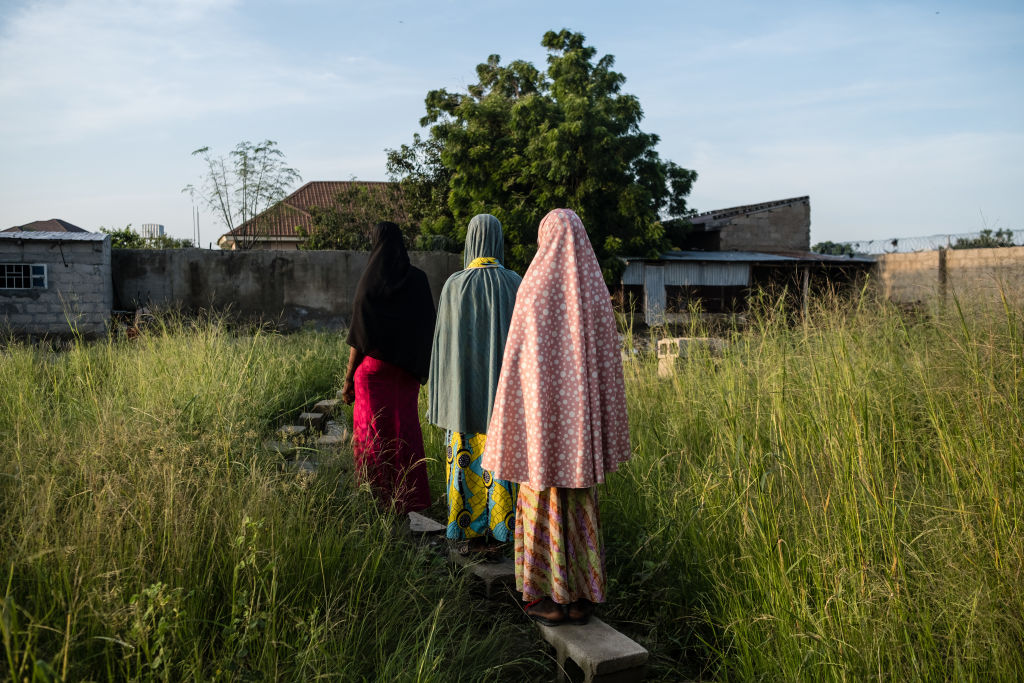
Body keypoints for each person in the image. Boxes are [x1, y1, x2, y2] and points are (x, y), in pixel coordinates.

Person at [482, 208, 631, 626]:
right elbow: (607, 369)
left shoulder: (532, 289)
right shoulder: (596, 295)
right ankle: (582, 598)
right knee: (579, 505)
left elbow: (516, 369)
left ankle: (550, 598)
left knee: (541, 505)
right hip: (579, 440)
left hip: (541, 439)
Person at [427, 214, 522, 558]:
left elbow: (442, 349)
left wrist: (440, 395)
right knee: (503, 465)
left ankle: (467, 529)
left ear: (469, 240)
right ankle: (503, 530)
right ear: (498, 240)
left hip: (463, 400)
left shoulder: (455, 285)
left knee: (466, 462)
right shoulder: (515, 282)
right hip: (505, 401)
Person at [341, 221, 436, 514]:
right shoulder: (418, 281)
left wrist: (347, 381)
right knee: (405, 433)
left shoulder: (370, 282)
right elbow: (429, 327)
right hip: (406, 374)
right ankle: (411, 501)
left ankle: (375, 502)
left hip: (373, 373)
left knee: (373, 435)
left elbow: (359, 336)